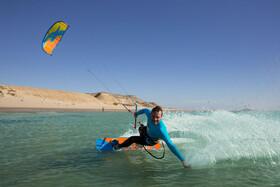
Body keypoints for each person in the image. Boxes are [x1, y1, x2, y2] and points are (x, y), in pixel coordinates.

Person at [112, 105, 190, 168]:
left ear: (161, 117)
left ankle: (118, 146)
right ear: (151, 114)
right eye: (153, 116)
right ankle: (140, 143)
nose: (155, 119)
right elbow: (145, 110)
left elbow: (171, 145)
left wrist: (183, 161)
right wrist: (137, 114)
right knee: (141, 128)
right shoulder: (148, 114)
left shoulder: (162, 130)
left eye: (157, 117)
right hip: (147, 132)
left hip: (151, 140)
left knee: (132, 139)